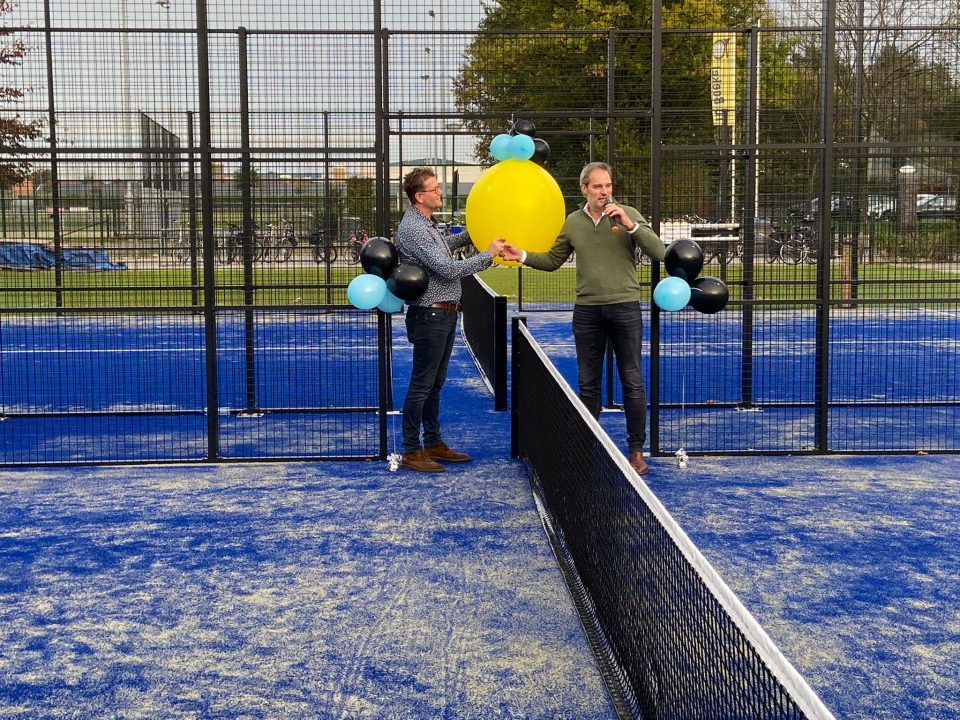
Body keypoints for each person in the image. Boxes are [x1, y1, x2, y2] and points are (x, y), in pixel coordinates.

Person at [501, 161, 665, 475]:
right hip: (587, 312)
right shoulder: (573, 222)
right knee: (588, 384)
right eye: (598, 186)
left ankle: (636, 451)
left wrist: (631, 225)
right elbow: (552, 260)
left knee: (632, 380)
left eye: (608, 185)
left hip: (625, 308)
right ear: (584, 189)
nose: (605, 192)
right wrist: (520, 255)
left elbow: (659, 252)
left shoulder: (627, 214)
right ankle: (585, 447)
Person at [395, 167, 505, 473]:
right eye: (435, 189)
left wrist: (479, 231)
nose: (440, 192)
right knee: (422, 384)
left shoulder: (426, 224)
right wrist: (490, 254)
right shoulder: (414, 229)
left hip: (443, 312)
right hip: (431, 313)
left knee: (435, 383)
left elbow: (447, 245)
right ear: (420, 196)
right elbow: (449, 269)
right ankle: (412, 450)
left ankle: (432, 442)